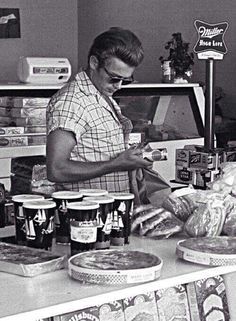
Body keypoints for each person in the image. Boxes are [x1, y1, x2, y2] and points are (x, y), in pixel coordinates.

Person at [46, 27, 151, 193]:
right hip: (85, 214)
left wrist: (131, 157)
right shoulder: (72, 102)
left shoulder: (101, 93)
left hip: (112, 210)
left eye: (126, 80)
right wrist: (115, 164)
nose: (119, 86)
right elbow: (56, 169)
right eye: (114, 78)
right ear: (94, 63)